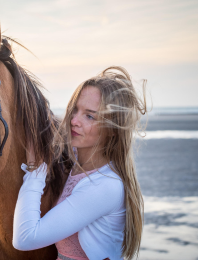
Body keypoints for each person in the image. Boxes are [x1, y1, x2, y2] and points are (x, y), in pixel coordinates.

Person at [13, 66, 147, 260]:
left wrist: (35, 170)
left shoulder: (105, 186)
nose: (74, 120)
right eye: (74, 110)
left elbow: (25, 239)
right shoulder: (76, 160)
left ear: (112, 130)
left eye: (90, 116)